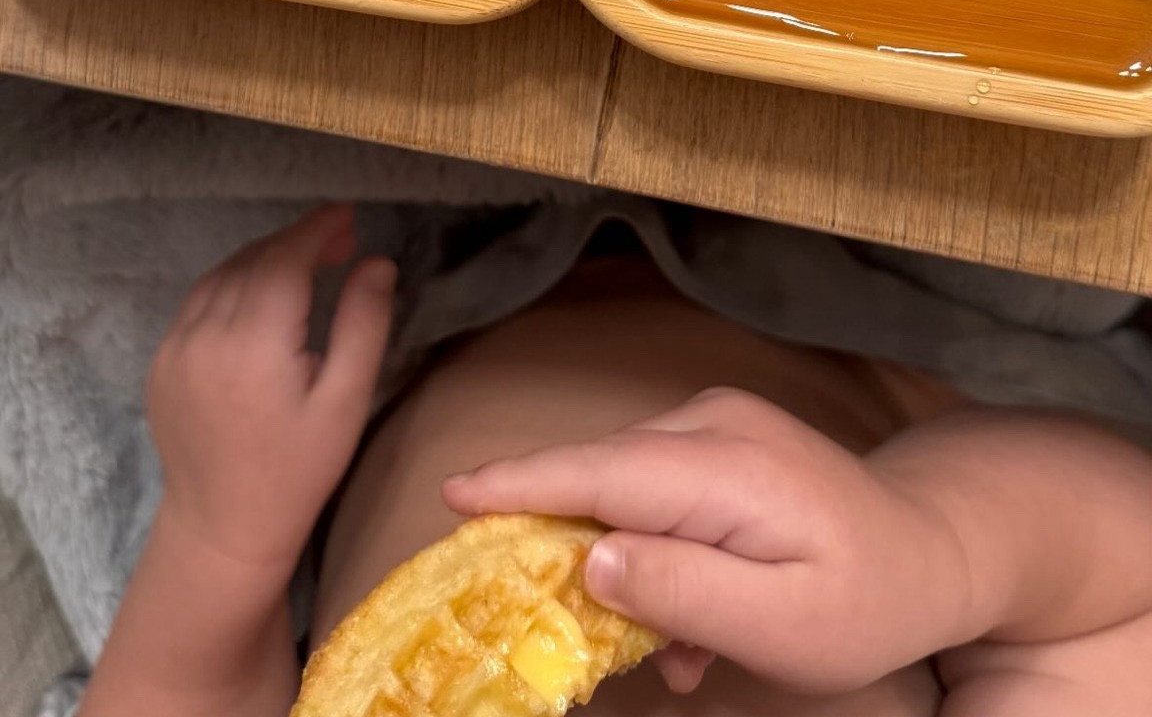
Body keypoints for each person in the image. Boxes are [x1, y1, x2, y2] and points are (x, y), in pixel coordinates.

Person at [78, 204, 1152, 717]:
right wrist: (936, 551)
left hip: (446, 291)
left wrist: (226, 531)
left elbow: (172, 695)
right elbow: (1123, 598)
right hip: (899, 321)